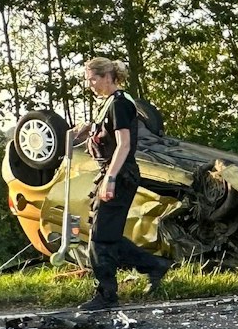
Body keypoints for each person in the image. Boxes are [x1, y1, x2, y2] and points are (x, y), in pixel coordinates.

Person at [70, 57, 172, 311]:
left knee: (100, 237)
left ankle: (106, 295)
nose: (90, 84)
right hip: (110, 172)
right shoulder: (107, 105)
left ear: (108, 77)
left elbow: (124, 145)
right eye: (88, 80)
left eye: (94, 79)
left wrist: (111, 179)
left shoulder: (120, 104)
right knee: (107, 234)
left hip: (120, 174)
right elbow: (104, 135)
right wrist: (85, 130)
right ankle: (155, 266)